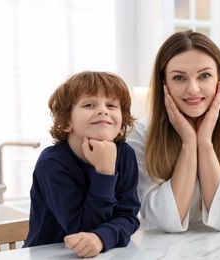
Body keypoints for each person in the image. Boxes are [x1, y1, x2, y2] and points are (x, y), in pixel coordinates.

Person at [127, 30, 220, 232]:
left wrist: (205, 142)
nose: (193, 88)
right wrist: (189, 143)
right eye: (179, 78)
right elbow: (164, 220)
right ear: (164, 83)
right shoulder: (140, 136)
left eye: (204, 75)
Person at [23, 71, 140, 258]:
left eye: (111, 105)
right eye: (89, 105)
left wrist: (101, 238)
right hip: (51, 255)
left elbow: (128, 217)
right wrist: (105, 172)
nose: (103, 110)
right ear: (66, 122)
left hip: (104, 253)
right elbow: (81, 229)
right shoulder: (51, 163)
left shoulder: (125, 154)